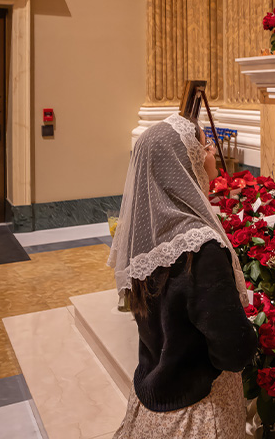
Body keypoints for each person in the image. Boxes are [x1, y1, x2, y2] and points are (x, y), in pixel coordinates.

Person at [108, 112, 257, 438]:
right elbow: (232, 349)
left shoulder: (144, 237)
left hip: (154, 401)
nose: (211, 152)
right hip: (199, 412)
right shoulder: (199, 247)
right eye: (203, 147)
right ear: (180, 163)